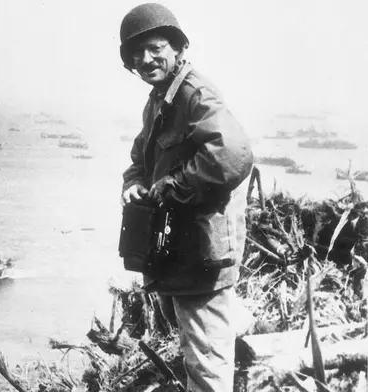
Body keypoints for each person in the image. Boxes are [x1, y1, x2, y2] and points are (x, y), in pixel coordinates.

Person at [118, 3, 254, 392]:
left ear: (177, 48)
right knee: (200, 346)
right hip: (182, 253)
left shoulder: (194, 93)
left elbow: (233, 154)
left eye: (156, 48)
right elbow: (141, 157)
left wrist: (171, 188)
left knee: (207, 371)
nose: (146, 59)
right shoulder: (161, 99)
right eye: (137, 54)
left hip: (201, 255)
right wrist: (134, 183)